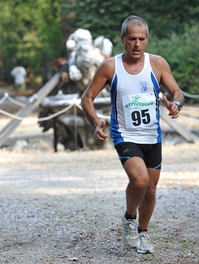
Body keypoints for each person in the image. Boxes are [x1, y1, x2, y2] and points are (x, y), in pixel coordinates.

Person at [81, 15, 184, 254]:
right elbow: (86, 98)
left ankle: (143, 233)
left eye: (141, 39)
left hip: (152, 136)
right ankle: (129, 219)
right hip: (124, 134)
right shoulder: (110, 67)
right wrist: (95, 123)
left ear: (147, 39)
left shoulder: (157, 64)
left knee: (150, 189)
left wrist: (176, 105)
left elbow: (177, 91)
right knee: (140, 180)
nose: (136, 44)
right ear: (122, 39)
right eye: (131, 39)